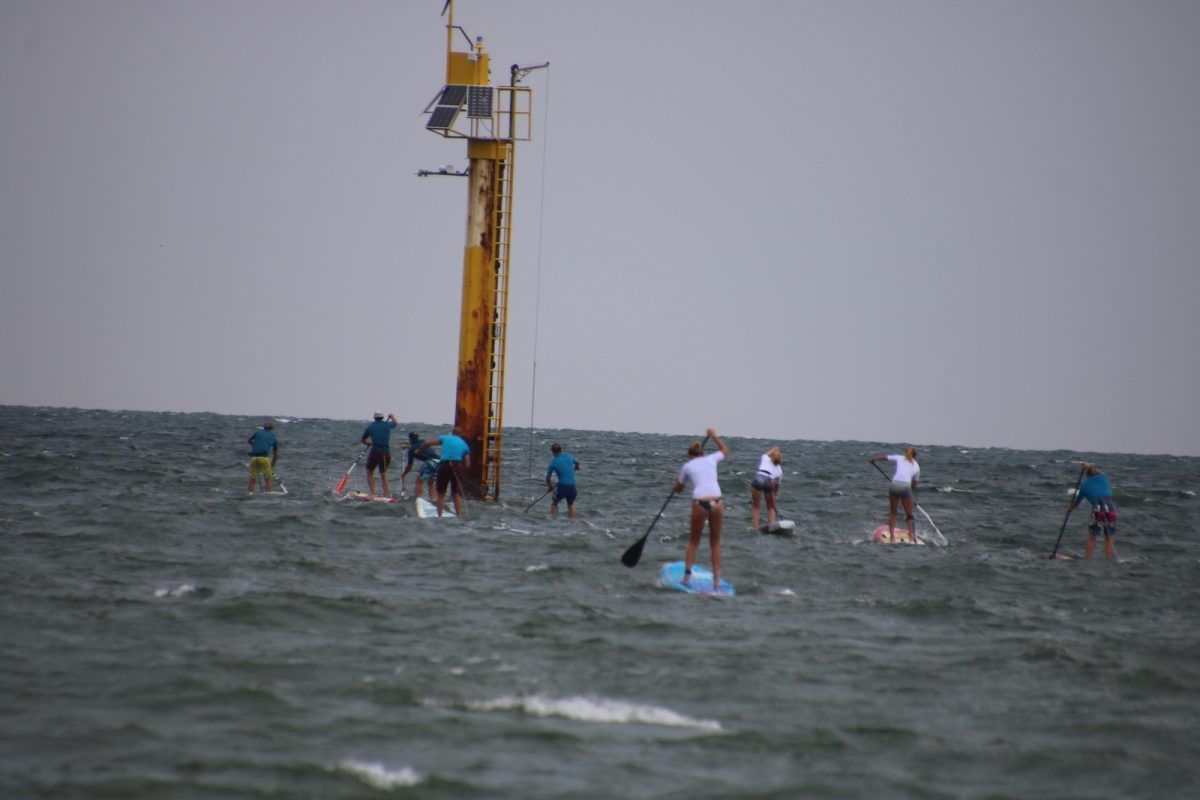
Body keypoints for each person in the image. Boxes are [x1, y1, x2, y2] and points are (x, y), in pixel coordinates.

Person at [674, 428, 730, 588]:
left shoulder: (687, 466)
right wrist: (714, 436)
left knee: (693, 542)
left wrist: (677, 480)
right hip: (718, 502)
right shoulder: (711, 459)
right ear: (702, 453)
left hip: (700, 503)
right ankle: (717, 580)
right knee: (715, 543)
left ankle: (686, 579)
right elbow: (725, 450)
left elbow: (678, 490)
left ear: (690, 455)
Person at [869, 448, 920, 544]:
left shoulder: (899, 458)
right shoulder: (917, 466)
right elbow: (914, 485)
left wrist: (873, 459)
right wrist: (909, 494)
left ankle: (892, 538)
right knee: (909, 515)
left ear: (905, 453)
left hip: (894, 484)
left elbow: (885, 457)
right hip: (905, 487)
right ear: (915, 456)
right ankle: (910, 539)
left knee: (893, 513)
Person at [1068, 461, 1118, 559]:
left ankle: (1088, 559)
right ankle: (1109, 559)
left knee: (1092, 536)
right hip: (1110, 508)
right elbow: (1098, 471)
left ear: (1087, 476)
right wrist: (1088, 466)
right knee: (1108, 536)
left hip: (1098, 508)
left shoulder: (1084, 486)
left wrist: (1069, 510)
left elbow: (1076, 503)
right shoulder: (1103, 477)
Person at [417, 426, 471, 517]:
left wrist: (419, 450)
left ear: (452, 432)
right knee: (456, 493)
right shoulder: (464, 445)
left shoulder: (445, 438)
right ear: (461, 435)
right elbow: (468, 464)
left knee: (441, 493)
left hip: (444, 466)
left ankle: (440, 515)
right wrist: (463, 471)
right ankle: (458, 515)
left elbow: (428, 442)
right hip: (456, 466)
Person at [360, 412, 398, 497]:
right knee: (383, 474)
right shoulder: (387, 425)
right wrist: (392, 416)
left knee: (369, 472)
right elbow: (396, 423)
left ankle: (373, 493)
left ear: (374, 418)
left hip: (375, 451)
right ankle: (386, 495)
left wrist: (368, 443)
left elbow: (362, 440)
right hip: (385, 451)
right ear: (382, 417)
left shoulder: (370, 427)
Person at [750, 446, 784, 530]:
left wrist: (774, 449)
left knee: (756, 506)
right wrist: (773, 502)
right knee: (770, 507)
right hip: (768, 481)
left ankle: (755, 528)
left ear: (772, 456)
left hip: (758, 478)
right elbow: (775, 490)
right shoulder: (780, 471)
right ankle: (772, 525)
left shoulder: (765, 458)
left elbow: (768, 452)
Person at [545, 443, 581, 519]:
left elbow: (548, 478)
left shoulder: (553, 463)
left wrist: (550, 487)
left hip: (562, 486)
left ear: (552, 452)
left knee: (554, 504)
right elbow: (577, 462)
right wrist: (576, 468)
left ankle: (554, 521)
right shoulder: (569, 457)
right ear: (561, 450)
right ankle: (572, 522)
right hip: (572, 487)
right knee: (570, 505)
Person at [400, 431, 439, 500]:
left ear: (410, 439)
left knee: (419, 481)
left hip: (430, 462)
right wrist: (407, 446)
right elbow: (417, 446)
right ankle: (433, 499)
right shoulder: (423, 441)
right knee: (430, 483)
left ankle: (418, 500)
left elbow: (409, 466)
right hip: (439, 462)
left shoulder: (411, 450)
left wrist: (404, 474)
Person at [246, 421, 279, 493]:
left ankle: (250, 494)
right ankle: (267, 494)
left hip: (254, 458)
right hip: (264, 458)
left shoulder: (257, 433)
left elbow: (249, 440)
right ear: (272, 429)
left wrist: (254, 444)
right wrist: (272, 465)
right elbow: (276, 455)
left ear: (263, 428)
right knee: (268, 478)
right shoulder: (273, 437)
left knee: (252, 478)